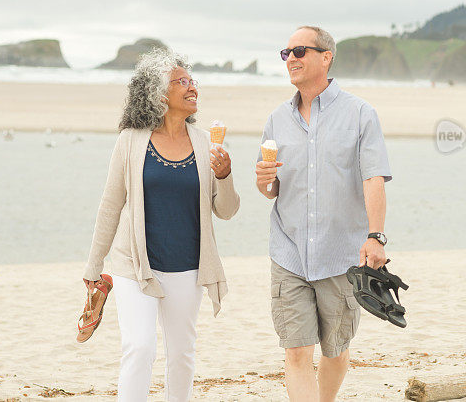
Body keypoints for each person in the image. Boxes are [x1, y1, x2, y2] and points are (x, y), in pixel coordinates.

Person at [82, 48, 240, 401]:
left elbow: (227, 211)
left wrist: (225, 174)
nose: (191, 87)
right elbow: (111, 204)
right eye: (180, 82)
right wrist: (94, 264)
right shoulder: (131, 141)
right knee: (139, 348)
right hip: (133, 266)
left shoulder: (206, 143)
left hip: (188, 268)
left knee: (181, 355)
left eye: (191, 81)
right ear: (157, 93)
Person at [255, 26, 392, 401]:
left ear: (326, 56)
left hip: (342, 255)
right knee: (297, 352)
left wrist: (375, 236)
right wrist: (264, 180)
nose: (292, 59)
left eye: (300, 50)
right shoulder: (276, 120)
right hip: (289, 253)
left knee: (335, 349)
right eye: (286, 53)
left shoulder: (360, 114)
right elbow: (271, 190)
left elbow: (373, 178)